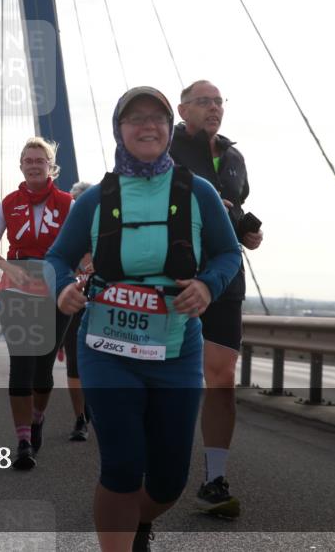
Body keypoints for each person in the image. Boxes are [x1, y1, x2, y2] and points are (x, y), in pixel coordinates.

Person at [48, 86, 241, 551]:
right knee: (120, 464)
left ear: (168, 129)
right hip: (106, 349)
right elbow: (57, 258)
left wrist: (207, 285)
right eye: (135, 119)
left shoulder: (200, 193)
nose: (147, 126)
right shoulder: (94, 199)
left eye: (156, 117)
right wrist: (63, 290)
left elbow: (227, 253)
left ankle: (139, 521)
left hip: (176, 349)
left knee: (169, 479)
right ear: (120, 131)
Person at [170, 79, 263, 518]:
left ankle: (214, 478)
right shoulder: (162, 150)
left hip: (225, 275)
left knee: (222, 376)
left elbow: (236, 210)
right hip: (173, 276)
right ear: (182, 108)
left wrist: (248, 231)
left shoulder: (234, 156)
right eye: (203, 101)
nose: (213, 107)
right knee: (171, 379)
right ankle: (151, 472)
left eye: (218, 101)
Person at [0, 137, 73, 470]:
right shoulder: (8, 203)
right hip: (17, 286)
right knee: (21, 364)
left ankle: (36, 420)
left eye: (40, 160)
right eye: (28, 160)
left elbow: (85, 245)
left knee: (43, 369)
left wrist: (82, 268)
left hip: (55, 286)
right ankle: (22, 440)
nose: (34, 164)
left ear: (51, 166)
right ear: (21, 165)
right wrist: (7, 269)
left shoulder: (67, 203)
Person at [64, 180, 94, 442]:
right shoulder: (65, 240)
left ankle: (93, 407)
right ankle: (79, 419)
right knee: (75, 364)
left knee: (99, 365)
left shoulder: (110, 236)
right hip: (73, 308)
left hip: (104, 309)